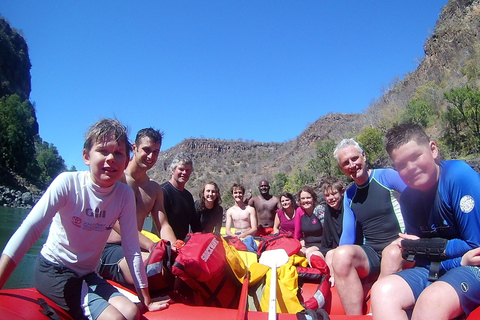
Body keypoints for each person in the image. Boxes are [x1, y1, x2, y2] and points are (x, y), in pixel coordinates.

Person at [0, 119, 167, 320]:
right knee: (115, 318)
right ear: (86, 156)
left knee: (132, 312)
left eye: (118, 153)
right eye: (103, 151)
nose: (111, 158)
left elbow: (131, 248)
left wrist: (145, 297)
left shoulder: (123, 195)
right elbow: (29, 231)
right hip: (54, 270)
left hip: (88, 274)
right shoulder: (68, 183)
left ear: (126, 159)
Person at [371, 123, 480, 320]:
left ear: (433, 149)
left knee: (431, 301)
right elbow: (419, 254)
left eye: (415, 157)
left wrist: (424, 246)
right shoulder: (407, 199)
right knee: (382, 291)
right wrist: (423, 248)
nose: (410, 168)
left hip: (473, 268)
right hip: (441, 267)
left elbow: (475, 247)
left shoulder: (458, 176)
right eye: (401, 165)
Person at [331, 138, 407, 315]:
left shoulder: (386, 177)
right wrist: (335, 264)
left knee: (392, 253)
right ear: (341, 168)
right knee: (340, 255)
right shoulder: (350, 195)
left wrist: (413, 234)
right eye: (345, 163)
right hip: (372, 253)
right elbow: (348, 236)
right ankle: (355, 318)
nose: (352, 164)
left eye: (354, 158)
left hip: (401, 246)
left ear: (364, 157)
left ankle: (375, 312)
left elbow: (418, 199)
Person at [97, 127, 177, 287]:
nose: (151, 156)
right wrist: (151, 246)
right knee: (154, 269)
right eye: (146, 150)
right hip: (107, 249)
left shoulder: (154, 189)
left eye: (156, 152)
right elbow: (113, 220)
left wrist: (176, 250)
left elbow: (163, 225)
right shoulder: (116, 178)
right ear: (134, 147)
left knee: (177, 269)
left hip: (135, 248)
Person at [161, 152, 202, 240]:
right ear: (173, 169)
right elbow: (161, 224)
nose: (184, 173)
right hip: (163, 244)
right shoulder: (162, 192)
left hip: (182, 246)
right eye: (181, 169)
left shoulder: (188, 196)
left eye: (188, 170)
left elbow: (195, 225)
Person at [298, 186, 325, 260]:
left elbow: (327, 231)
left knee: (308, 253)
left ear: (313, 198)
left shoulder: (319, 210)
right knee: (297, 253)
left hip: (321, 244)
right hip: (307, 245)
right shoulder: (301, 213)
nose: (306, 200)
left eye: (308, 198)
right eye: (303, 198)